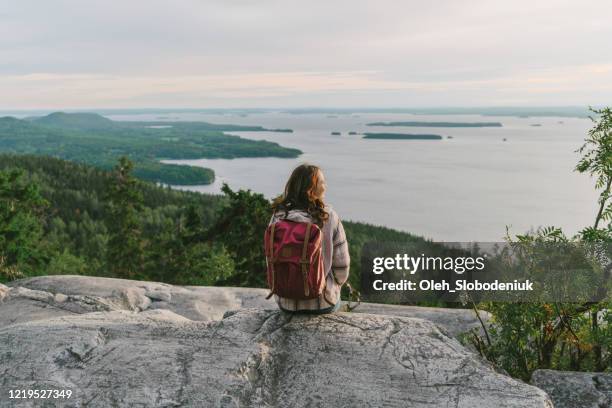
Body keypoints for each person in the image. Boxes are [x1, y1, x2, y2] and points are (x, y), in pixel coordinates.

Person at [269, 164, 350, 313]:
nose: (326, 186)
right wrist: (333, 286)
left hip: (286, 303)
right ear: (311, 190)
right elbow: (342, 268)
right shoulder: (329, 217)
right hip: (323, 303)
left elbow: (271, 260)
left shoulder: (278, 216)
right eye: (322, 182)